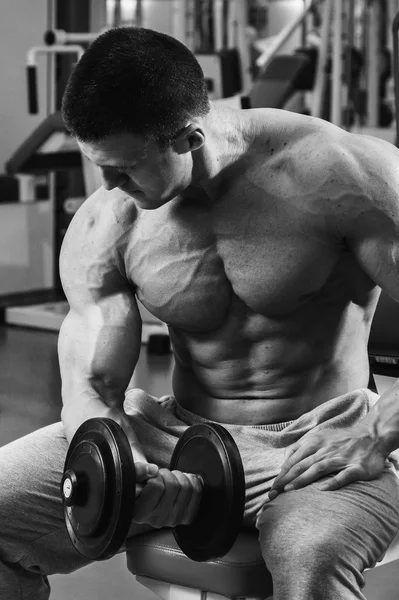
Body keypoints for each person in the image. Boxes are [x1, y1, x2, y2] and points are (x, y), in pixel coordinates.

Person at [1, 26, 399, 600]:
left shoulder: (343, 176)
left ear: (189, 138)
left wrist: (379, 431)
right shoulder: (109, 222)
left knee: (311, 555)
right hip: (177, 435)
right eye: (99, 166)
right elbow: (90, 381)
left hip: (317, 438)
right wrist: (123, 456)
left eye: (125, 168)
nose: (108, 185)